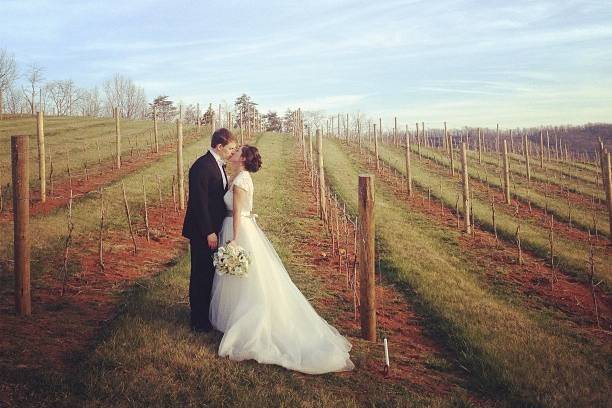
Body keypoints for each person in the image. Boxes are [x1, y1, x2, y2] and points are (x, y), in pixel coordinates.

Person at [210, 144, 355, 374]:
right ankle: (233, 316)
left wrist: (234, 241)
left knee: (246, 278)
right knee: (244, 278)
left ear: (244, 159)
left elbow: (237, 212)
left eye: (237, 152)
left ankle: (248, 323)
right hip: (239, 226)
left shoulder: (240, 181)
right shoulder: (238, 176)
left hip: (238, 229)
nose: (233, 153)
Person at [182, 128, 237, 332]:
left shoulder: (218, 165)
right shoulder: (202, 166)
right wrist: (208, 232)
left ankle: (206, 315)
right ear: (219, 146)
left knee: (210, 273)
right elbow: (199, 203)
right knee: (200, 274)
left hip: (214, 228)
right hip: (202, 231)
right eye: (230, 148)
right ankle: (198, 321)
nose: (233, 152)